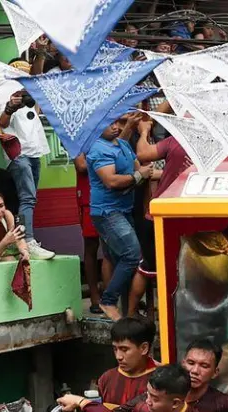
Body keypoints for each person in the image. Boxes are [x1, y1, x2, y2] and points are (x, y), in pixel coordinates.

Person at [86, 111, 158, 319]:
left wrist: (178, 173)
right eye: (110, 124)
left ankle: (127, 312)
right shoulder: (97, 149)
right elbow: (111, 181)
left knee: (117, 258)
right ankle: (108, 301)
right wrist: (138, 175)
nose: (116, 126)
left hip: (123, 210)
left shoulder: (122, 144)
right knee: (132, 255)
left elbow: (145, 172)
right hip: (107, 212)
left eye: (118, 122)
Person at [0, 90, 57, 260]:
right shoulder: (6, 96)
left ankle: (21, 241)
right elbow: (2, 122)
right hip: (18, 154)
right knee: (27, 198)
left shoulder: (31, 97)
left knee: (28, 199)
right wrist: (10, 107)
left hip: (34, 153)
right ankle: (28, 240)